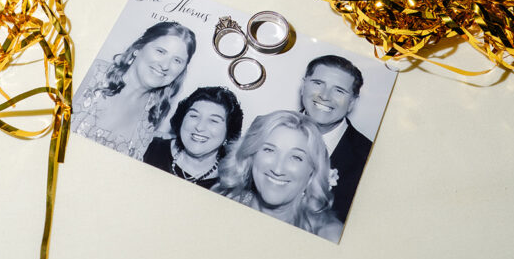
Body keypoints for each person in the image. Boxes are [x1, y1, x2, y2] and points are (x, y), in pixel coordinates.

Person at [71, 21, 196, 159]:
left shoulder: (156, 111)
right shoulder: (93, 74)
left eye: (177, 60)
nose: (165, 65)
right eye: (160, 51)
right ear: (138, 48)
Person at [214, 110, 343, 242]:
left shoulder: (329, 236)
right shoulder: (220, 205)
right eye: (269, 150)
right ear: (251, 156)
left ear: (313, 170)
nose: (278, 169)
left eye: (296, 157)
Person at [299, 54, 372, 223]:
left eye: (339, 90)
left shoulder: (368, 158)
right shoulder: (264, 129)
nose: (325, 96)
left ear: (352, 102)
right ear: (303, 87)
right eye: (318, 83)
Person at [143, 86, 243, 188]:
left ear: (229, 131)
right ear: (182, 119)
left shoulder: (230, 181)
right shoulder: (148, 147)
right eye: (194, 116)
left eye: (213, 121)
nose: (199, 127)